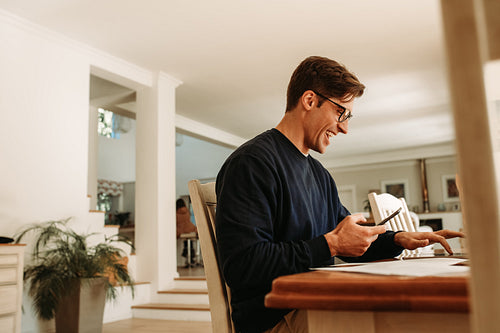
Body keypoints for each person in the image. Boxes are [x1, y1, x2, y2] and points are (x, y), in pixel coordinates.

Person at [215, 56, 464, 333]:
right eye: (340, 113)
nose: (344, 127)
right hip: (275, 318)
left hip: (315, 303)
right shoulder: (252, 163)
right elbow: (243, 267)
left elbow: (349, 239)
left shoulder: (320, 175)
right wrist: (330, 245)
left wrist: (398, 239)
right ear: (309, 100)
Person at [176, 198, 197, 265]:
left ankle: (186, 253)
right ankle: (191, 255)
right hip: (190, 228)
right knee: (189, 240)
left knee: (185, 239)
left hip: (182, 230)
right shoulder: (187, 211)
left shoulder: (176, 212)